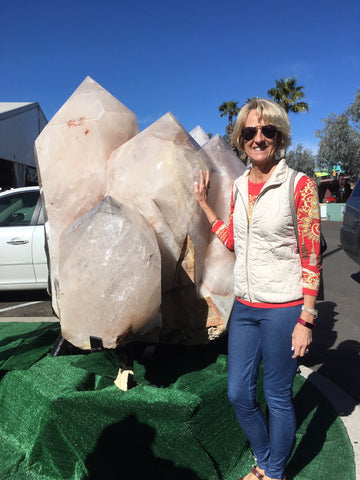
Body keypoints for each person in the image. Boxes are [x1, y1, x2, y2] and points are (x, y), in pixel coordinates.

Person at [194, 98, 321, 480]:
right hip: (245, 307)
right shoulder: (236, 187)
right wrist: (204, 205)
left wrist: (307, 318)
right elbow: (235, 240)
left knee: (278, 396)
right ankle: (267, 460)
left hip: (285, 308)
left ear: (279, 136)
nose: (258, 137)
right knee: (237, 393)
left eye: (267, 130)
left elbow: (312, 254)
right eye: (250, 131)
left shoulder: (299, 186)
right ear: (241, 138)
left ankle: (272, 471)